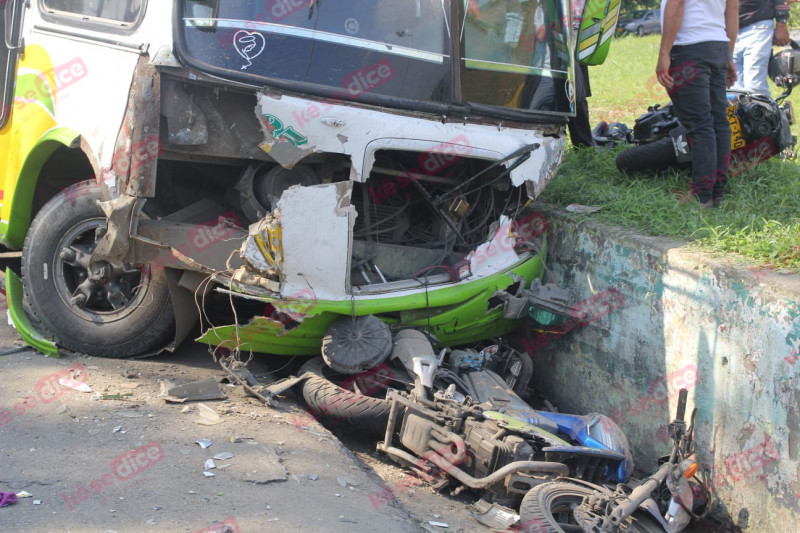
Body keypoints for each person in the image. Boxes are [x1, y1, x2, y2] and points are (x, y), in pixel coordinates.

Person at [656, 0, 740, 208]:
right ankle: (716, 192)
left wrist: (664, 53)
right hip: (717, 45)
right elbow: (733, 9)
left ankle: (703, 196)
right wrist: (728, 54)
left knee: (701, 125)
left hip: (689, 48)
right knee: (719, 122)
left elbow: (676, 3)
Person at [733, 0, 791, 95]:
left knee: (754, 86)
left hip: (758, 24)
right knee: (734, 87)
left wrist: (781, 23)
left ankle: (761, 109)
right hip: (730, 28)